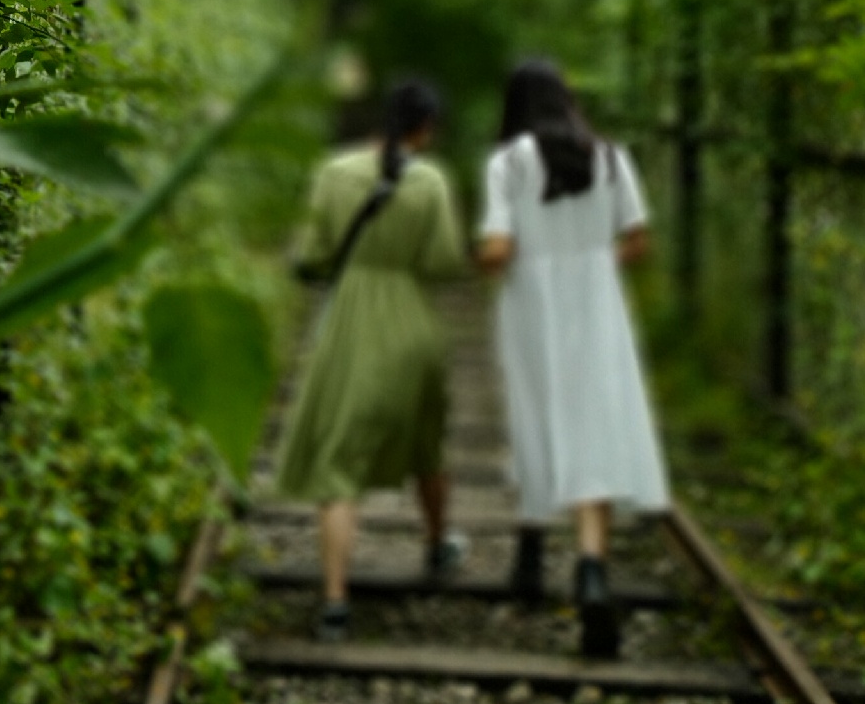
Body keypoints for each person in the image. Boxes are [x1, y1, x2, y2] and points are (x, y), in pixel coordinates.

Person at [477, 58, 667, 658]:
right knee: (594, 425)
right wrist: (591, 264)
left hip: (532, 306)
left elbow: (499, 248)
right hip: (598, 304)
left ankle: (531, 552)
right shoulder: (611, 157)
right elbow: (637, 241)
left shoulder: (506, 164)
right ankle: (590, 568)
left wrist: (485, 258)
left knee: (536, 419)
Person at [275, 77, 465, 640]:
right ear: (425, 128)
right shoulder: (431, 180)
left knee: (339, 462)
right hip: (412, 325)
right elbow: (444, 262)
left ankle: (335, 600)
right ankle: (436, 546)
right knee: (429, 443)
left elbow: (311, 256)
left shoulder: (333, 172)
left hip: (350, 326)